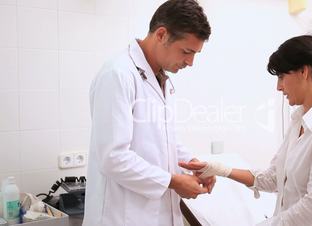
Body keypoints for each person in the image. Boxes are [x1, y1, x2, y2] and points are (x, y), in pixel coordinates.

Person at [180, 35, 312, 226]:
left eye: (281, 77)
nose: (278, 87)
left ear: (303, 72)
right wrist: (221, 169)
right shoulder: (299, 120)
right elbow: (274, 177)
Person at [83, 1, 214, 226]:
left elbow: (162, 140)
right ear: (162, 34)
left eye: (195, 54)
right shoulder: (118, 74)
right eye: (186, 51)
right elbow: (112, 158)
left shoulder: (159, 77)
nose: (190, 62)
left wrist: (192, 163)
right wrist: (172, 181)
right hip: (121, 216)